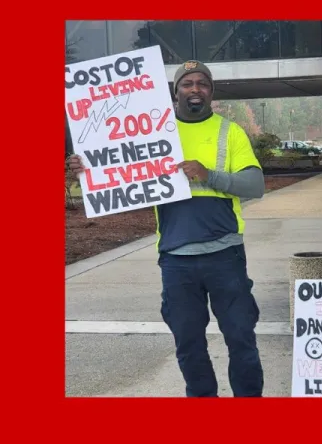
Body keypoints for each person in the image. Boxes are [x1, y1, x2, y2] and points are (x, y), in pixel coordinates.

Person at [65, 60, 266, 397]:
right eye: (187, 84)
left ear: (211, 91)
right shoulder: (149, 132)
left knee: (241, 340)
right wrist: (87, 166)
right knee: (189, 346)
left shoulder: (229, 132)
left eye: (203, 83)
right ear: (176, 92)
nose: (195, 89)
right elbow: (117, 170)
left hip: (225, 255)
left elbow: (255, 184)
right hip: (176, 259)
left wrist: (210, 174)